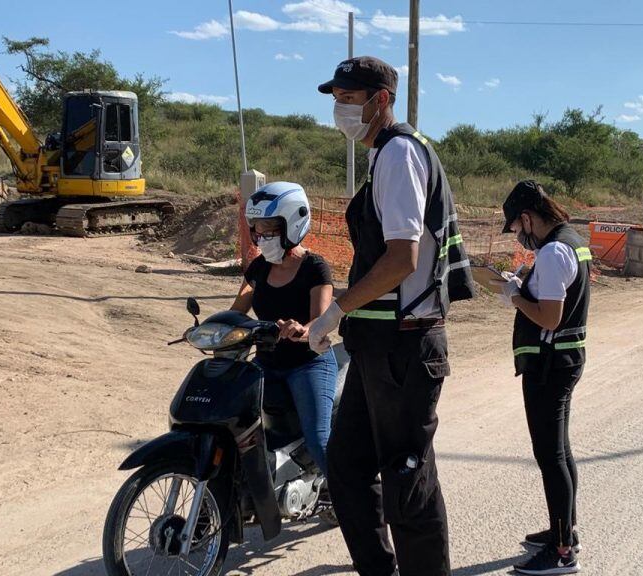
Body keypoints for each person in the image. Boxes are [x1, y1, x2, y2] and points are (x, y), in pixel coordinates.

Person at [308, 56, 475, 576]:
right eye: (336, 99)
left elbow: (401, 258)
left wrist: (335, 308)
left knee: (407, 480)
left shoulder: (399, 153)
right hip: (379, 346)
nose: (340, 109)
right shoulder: (386, 154)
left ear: (381, 99)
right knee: (348, 469)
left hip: (404, 346)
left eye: (349, 99)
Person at [496, 180, 592, 575]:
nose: (520, 238)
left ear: (527, 218)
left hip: (550, 364)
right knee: (560, 453)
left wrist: (513, 295)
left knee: (550, 456)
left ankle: (563, 551)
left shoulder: (553, 252)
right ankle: (563, 531)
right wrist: (524, 284)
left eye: (518, 230)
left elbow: (550, 317)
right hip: (565, 358)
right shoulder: (571, 241)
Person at [231, 181, 337, 475]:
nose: (260, 236)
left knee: (319, 440)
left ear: (293, 223)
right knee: (238, 428)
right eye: (257, 228)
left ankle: (355, 506)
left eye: (269, 228)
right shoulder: (259, 268)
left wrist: (302, 329)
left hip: (308, 364)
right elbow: (237, 310)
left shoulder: (315, 267)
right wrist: (214, 329)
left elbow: (322, 319)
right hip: (265, 363)